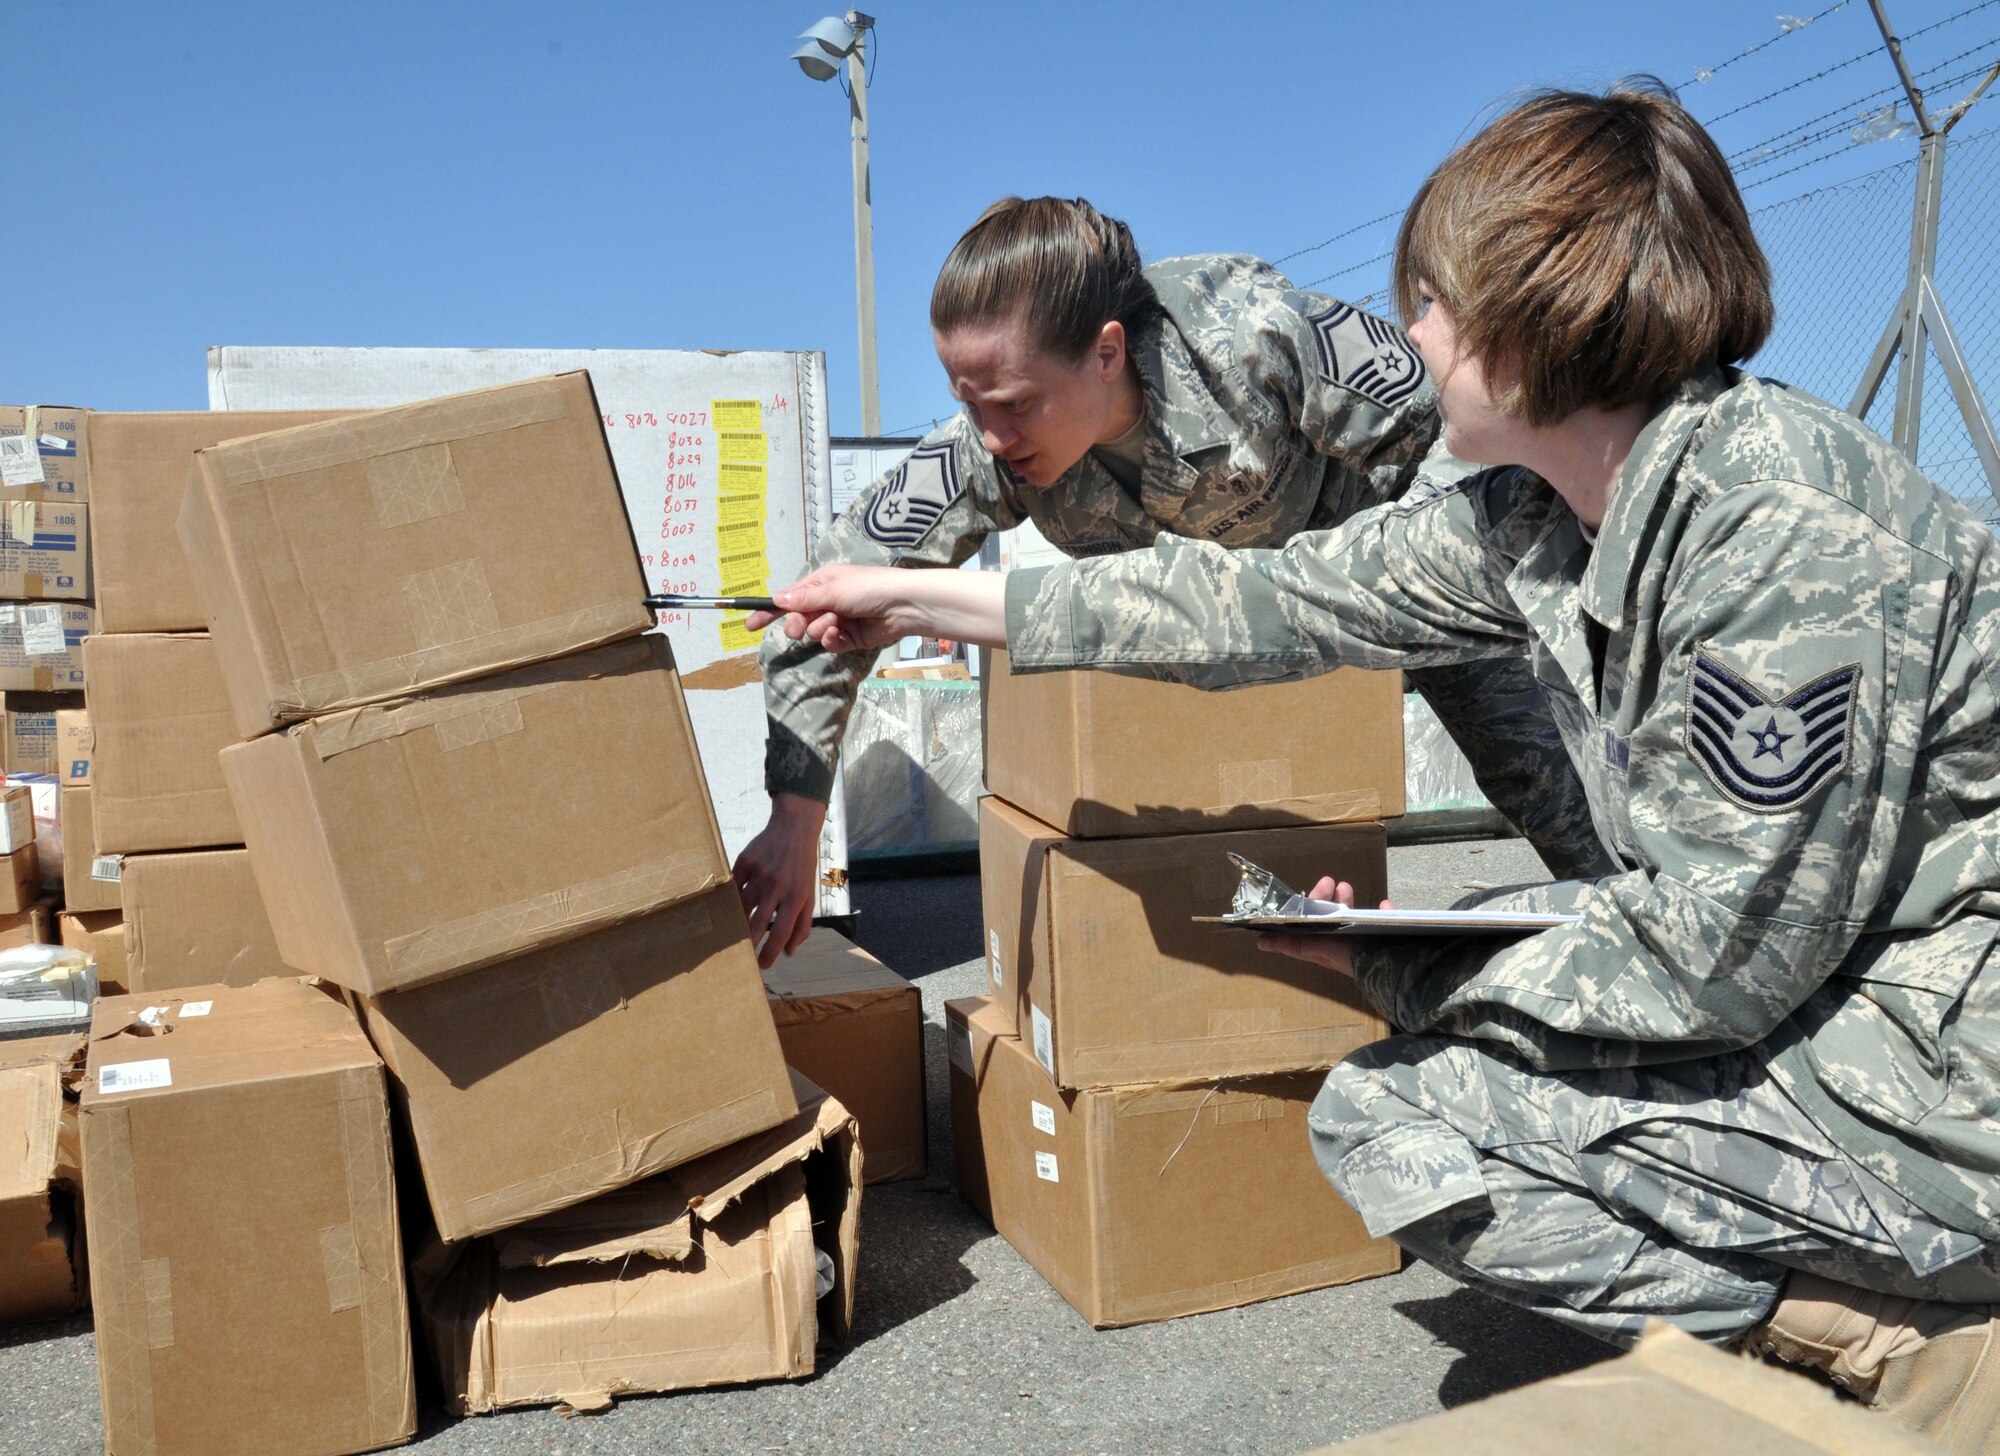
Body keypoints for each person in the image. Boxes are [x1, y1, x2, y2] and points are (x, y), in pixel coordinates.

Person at [752, 82, 2000, 1452]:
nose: (1406, 338)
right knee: (1399, 1107)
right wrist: (913, 600)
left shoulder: (1779, 539)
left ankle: (1920, 1347)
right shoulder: (1530, 518)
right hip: (1848, 985)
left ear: (1529, 325)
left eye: (1433, 305)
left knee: (1439, 1084)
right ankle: (1864, 1315)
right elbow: (1264, 598)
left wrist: (1400, 961)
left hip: (1950, 1050)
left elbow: (1715, 962)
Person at [737, 196, 1613, 967]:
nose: (993, 435)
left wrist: (1411, 579)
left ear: (1106, 351)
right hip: (1211, 632)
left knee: (1559, 791)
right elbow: (833, 589)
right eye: (970, 405)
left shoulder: (1255, 335)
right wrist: (797, 818)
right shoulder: (990, 446)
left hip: (1407, 584)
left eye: (1014, 405)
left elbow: (1465, 427)